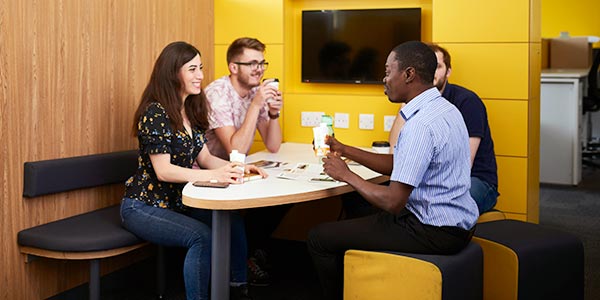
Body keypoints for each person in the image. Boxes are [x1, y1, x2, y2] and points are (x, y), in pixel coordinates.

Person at [307, 41, 479, 300]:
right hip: (458, 223)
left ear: (409, 74)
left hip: (433, 231)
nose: (384, 79)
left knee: (319, 237)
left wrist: (345, 175)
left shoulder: (419, 125)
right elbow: (402, 164)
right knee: (357, 209)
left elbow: (394, 202)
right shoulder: (444, 109)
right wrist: (343, 148)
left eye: (388, 72)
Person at [120, 41, 267, 300]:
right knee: (202, 237)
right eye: (192, 69)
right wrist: (214, 175)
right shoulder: (154, 112)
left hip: (176, 202)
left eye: (201, 68)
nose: (200, 75)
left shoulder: (189, 110)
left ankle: (236, 285)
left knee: (232, 221)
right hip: (143, 206)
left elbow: (207, 158)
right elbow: (163, 171)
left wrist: (240, 167)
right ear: (172, 73)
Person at [204, 37, 284, 286]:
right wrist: (257, 103)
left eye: (262, 63)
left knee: (278, 202)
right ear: (233, 67)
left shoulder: (253, 93)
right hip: (206, 172)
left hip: (234, 172)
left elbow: (273, 145)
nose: (258, 69)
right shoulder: (217, 94)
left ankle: (247, 255)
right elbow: (235, 149)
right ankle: (239, 277)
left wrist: (273, 113)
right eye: (251, 63)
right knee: (238, 218)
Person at [388, 43, 499, 214]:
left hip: (474, 179)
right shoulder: (415, 101)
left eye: (437, 67)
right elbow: (395, 151)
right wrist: (406, 105)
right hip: (434, 178)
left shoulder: (467, 102)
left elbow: (465, 163)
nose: (431, 73)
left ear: (448, 72)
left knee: (420, 204)